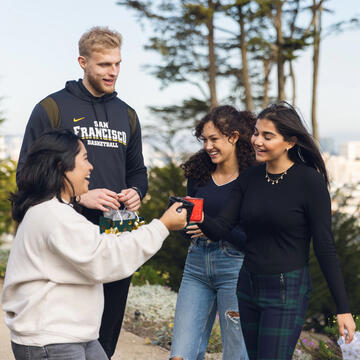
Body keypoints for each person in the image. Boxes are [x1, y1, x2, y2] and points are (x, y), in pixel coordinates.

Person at [16, 26, 147, 358]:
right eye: (104, 65)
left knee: (107, 332)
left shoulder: (127, 115)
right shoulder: (52, 108)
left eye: (117, 64)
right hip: (67, 234)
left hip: (116, 233)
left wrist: (136, 192)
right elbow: (26, 176)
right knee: (69, 326)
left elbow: (138, 172)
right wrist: (78, 197)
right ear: (82, 62)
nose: (113, 72)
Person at [2, 129, 187, 360]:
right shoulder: (53, 215)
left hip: (73, 336)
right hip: (51, 341)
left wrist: (132, 226)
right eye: (85, 159)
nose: (91, 167)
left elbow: (98, 243)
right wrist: (163, 225)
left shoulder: (56, 210)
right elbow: (107, 258)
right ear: (62, 167)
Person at [198, 102, 356, 360]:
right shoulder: (250, 178)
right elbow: (221, 229)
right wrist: (197, 214)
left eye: (267, 136)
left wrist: (343, 309)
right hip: (247, 286)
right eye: (256, 133)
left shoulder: (309, 182)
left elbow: (325, 247)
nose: (257, 141)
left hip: (287, 290)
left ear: (290, 142)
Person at [170, 106, 255, 360]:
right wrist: (185, 226)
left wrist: (215, 229)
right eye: (204, 139)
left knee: (236, 354)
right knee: (180, 354)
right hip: (196, 265)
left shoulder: (252, 178)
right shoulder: (199, 174)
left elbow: (253, 238)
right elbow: (191, 225)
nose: (208, 146)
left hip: (235, 268)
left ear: (234, 136)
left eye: (214, 139)